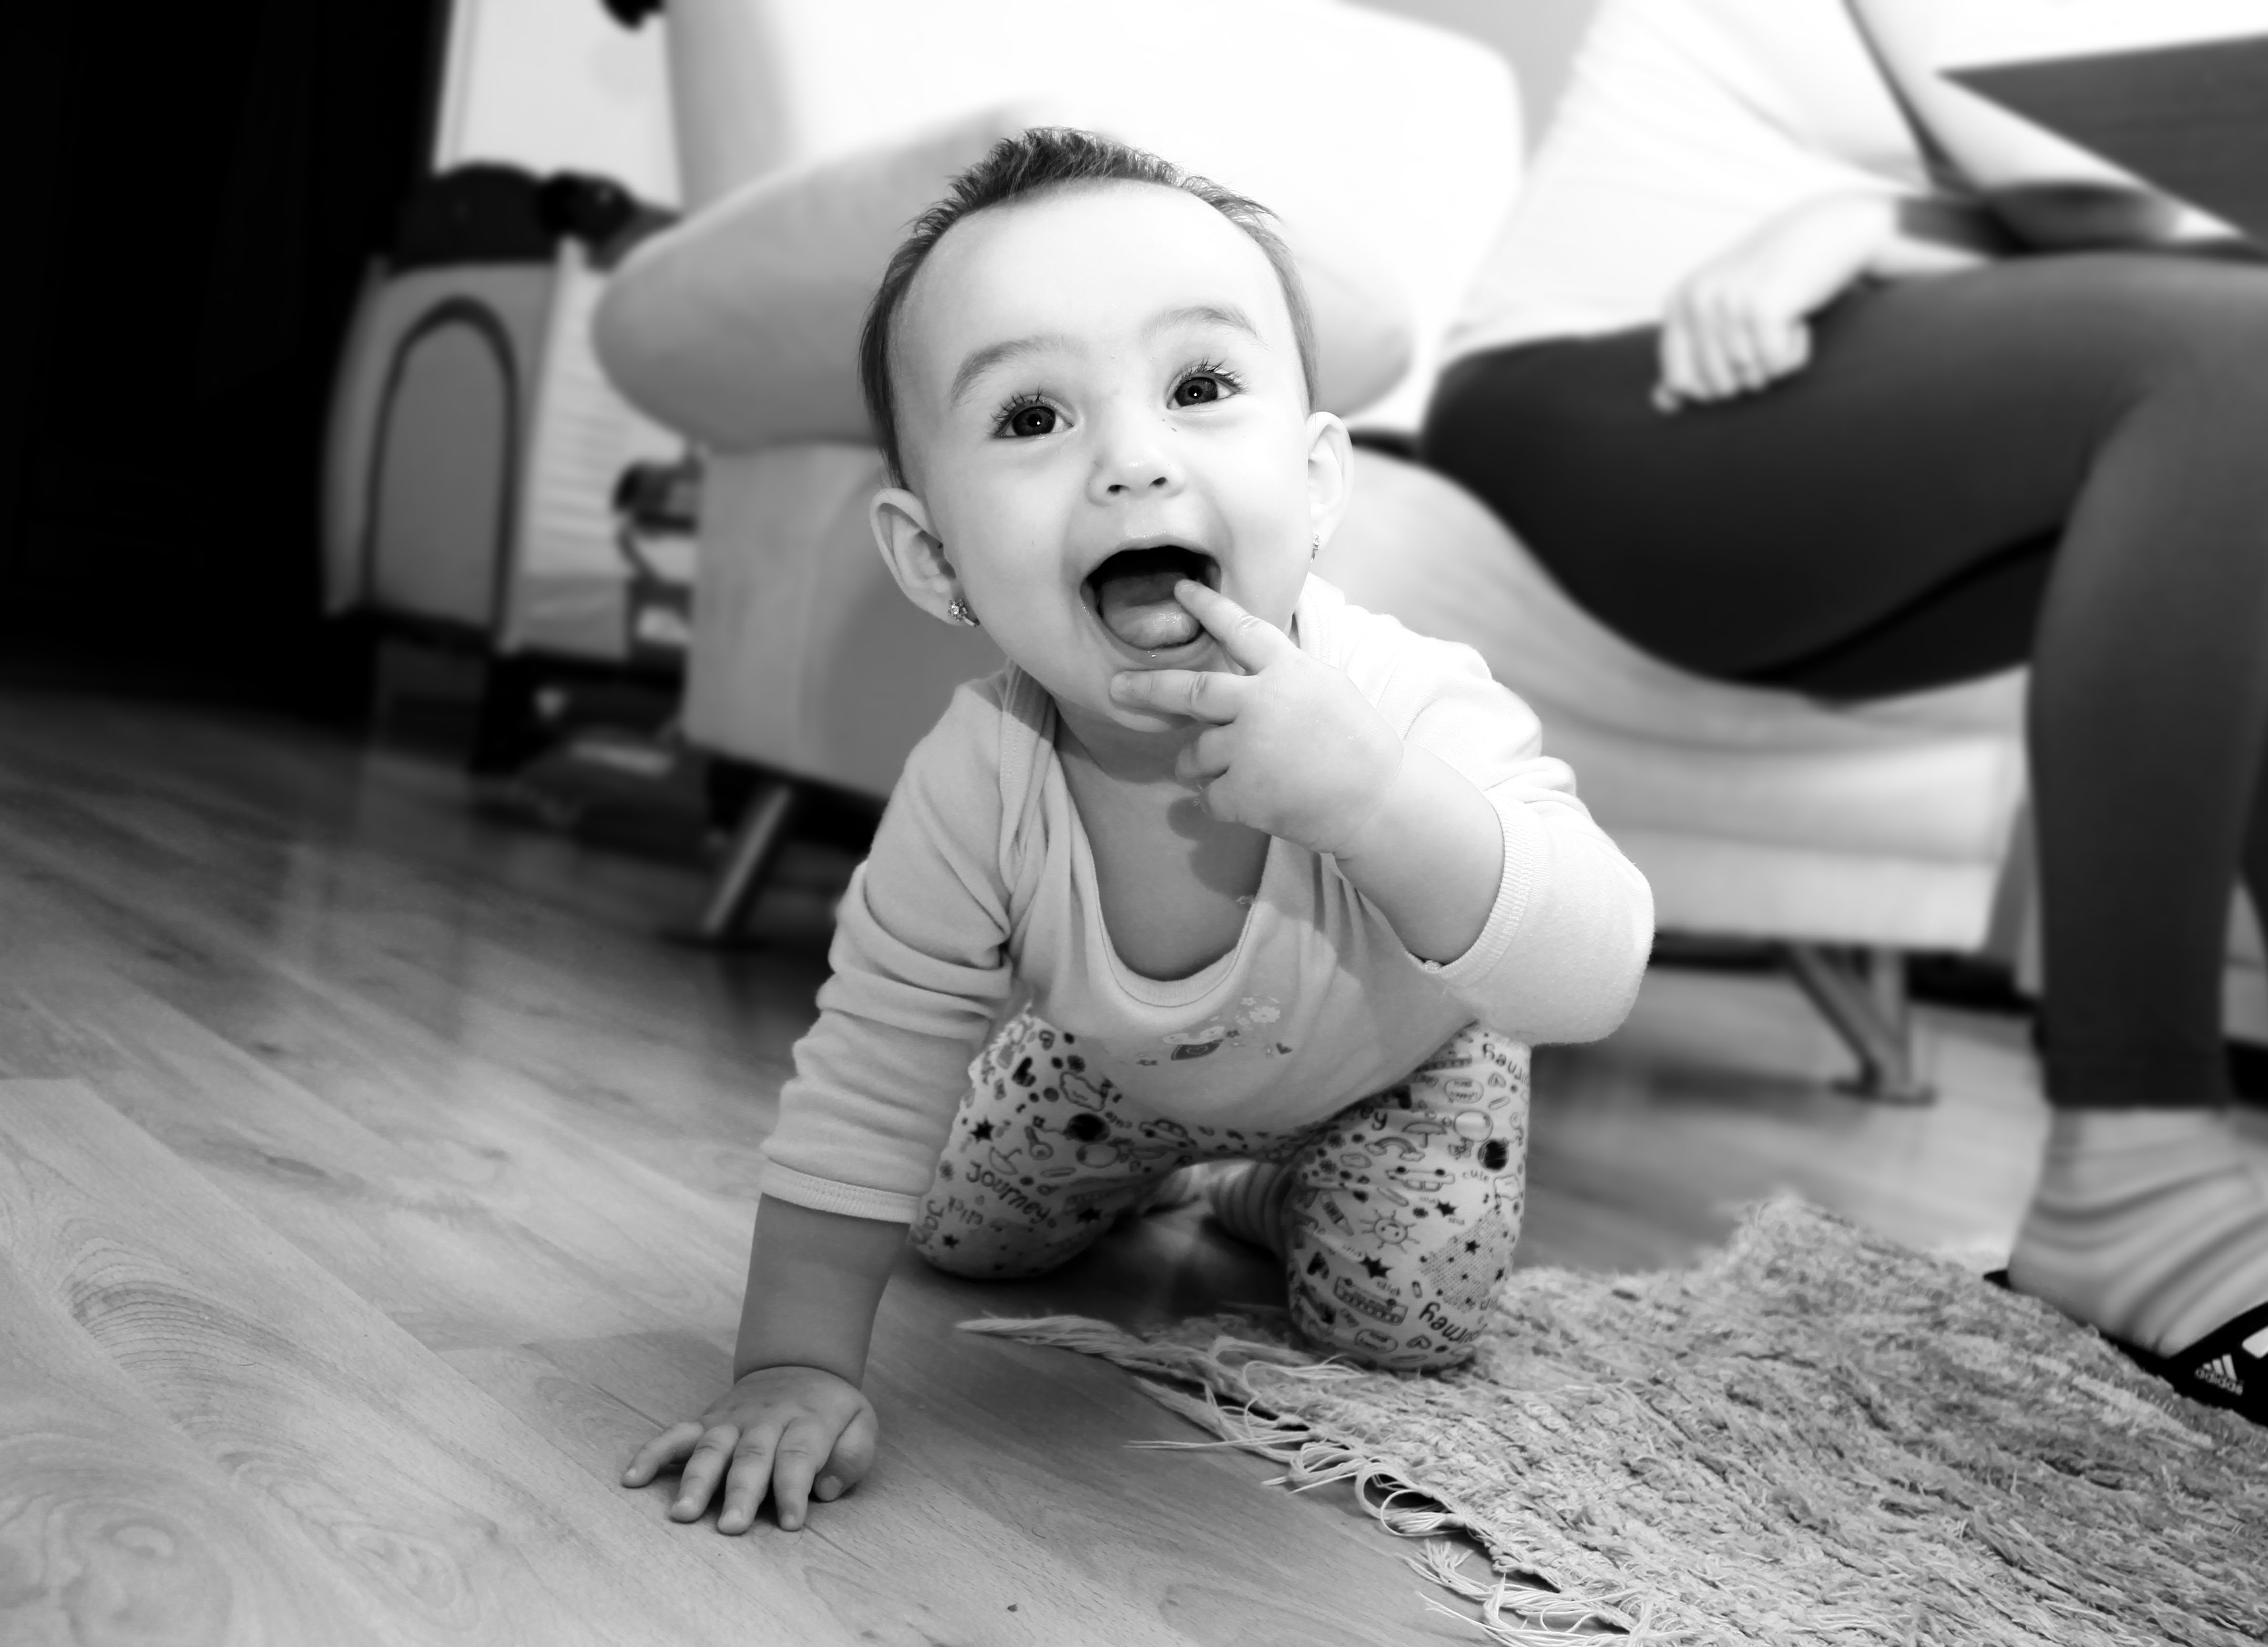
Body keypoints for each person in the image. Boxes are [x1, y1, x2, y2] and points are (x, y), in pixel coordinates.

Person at [1423, 0, 2268, 1456]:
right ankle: (2134, 1177)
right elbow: (2099, 196)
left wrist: (1871, 228)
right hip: (1614, 389)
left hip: (1873, 393)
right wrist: (1874, 229)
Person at [622, 130, 1657, 1534]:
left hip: (1401, 1065)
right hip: (1115, 1068)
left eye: (1200, 387)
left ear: (1318, 481)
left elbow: (1594, 975)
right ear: (934, 559)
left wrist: (1379, 804)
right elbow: (870, 1068)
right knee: (959, 1232)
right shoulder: (978, 776)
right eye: (1031, 417)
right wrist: (793, 1368)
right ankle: (1190, 1158)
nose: (1131, 460)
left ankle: (1262, 1194)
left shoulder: (1403, 704)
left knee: (1402, 1321)